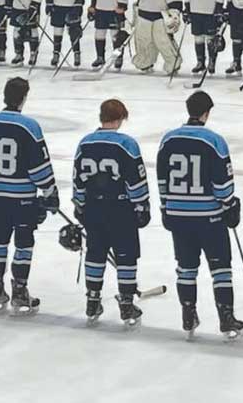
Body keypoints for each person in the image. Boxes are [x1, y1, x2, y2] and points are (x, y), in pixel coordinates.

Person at [157, 91, 243, 340]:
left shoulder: (168, 140)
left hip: (178, 215)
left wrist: (166, 207)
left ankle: (188, 314)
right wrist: (229, 204)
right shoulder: (214, 141)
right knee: (221, 268)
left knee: (185, 268)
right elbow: (223, 184)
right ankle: (226, 318)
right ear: (207, 112)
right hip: (209, 217)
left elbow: (162, 178)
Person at [0, 77, 58, 314]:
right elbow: (38, 165)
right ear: (24, 98)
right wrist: (49, 190)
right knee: (24, 242)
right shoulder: (29, 126)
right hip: (22, 197)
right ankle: (20, 291)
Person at [72, 99, 150, 326]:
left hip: (94, 208)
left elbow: (78, 179)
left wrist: (80, 204)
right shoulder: (127, 144)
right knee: (126, 255)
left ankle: (92, 300)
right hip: (120, 209)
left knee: (95, 253)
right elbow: (136, 181)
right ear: (120, 118)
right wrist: (141, 206)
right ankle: (126, 304)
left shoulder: (84, 143)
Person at [132, 0, 183, 75]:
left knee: (162, 40)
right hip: (144, 13)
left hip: (160, 15)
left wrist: (174, 11)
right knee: (143, 40)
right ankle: (145, 62)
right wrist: (137, 7)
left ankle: (173, 64)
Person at [185, 0, 224, 75]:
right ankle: (200, 62)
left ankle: (211, 62)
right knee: (198, 38)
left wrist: (218, 11)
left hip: (210, 13)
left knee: (211, 40)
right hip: (196, 12)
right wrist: (187, 10)